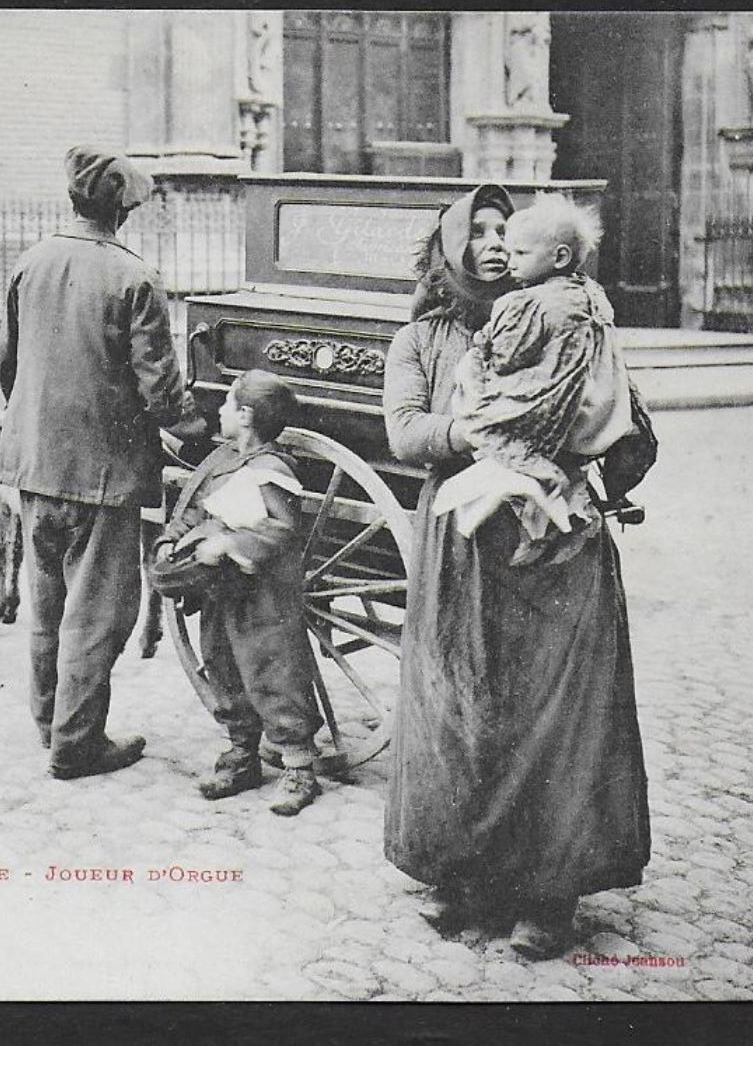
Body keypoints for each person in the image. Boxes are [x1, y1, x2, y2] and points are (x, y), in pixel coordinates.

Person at [382, 188, 651, 960]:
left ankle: (548, 893)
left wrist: (598, 437)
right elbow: (404, 431)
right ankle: (458, 877)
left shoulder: (572, 317)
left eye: (510, 231)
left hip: (557, 545)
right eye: (482, 231)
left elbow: (626, 423)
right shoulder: (423, 341)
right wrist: (473, 428)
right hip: (464, 546)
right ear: (451, 248)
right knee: (460, 709)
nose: (497, 244)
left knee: (560, 716)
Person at [0, 144, 204, 781]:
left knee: (48, 605)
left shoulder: (31, 262)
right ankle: (77, 746)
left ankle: (48, 722)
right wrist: (195, 431)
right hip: (103, 476)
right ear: (121, 209)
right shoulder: (133, 278)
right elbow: (160, 390)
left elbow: (9, 368)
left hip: (35, 466)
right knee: (99, 616)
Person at [154, 369, 323, 816]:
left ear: (245, 416)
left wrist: (230, 543)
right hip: (219, 591)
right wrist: (172, 540)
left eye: (227, 406)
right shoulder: (220, 462)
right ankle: (241, 752)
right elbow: (192, 508)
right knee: (222, 663)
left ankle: (298, 766)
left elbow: (281, 528)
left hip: (263, 598)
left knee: (273, 669)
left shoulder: (273, 472)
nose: (220, 413)